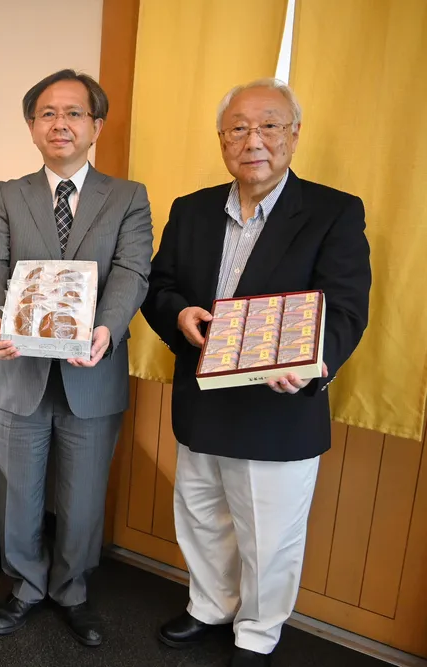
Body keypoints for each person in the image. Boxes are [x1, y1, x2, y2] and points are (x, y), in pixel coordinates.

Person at [141, 79, 371, 667]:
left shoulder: (332, 211)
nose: (254, 140)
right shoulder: (192, 209)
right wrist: (179, 314)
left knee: (270, 538)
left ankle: (259, 633)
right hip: (203, 398)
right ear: (222, 140)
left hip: (279, 407)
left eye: (270, 125)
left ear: (294, 134)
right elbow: (159, 286)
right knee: (201, 516)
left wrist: (315, 363)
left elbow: (345, 307)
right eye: (239, 128)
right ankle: (210, 605)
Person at [0, 69, 153, 647]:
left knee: (82, 493)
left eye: (74, 113)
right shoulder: (7, 193)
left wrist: (106, 329)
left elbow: (132, 271)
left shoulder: (128, 197)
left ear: (96, 125)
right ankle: (24, 586)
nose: (61, 124)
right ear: (31, 126)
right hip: (19, 368)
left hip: (89, 370)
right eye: (47, 113)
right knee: (17, 492)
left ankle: (72, 589)